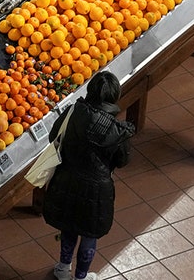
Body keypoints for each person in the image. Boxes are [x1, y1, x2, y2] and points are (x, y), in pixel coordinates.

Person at [44, 71, 134, 280]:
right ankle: (81, 276)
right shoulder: (117, 130)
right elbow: (123, 161)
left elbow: (53, 137)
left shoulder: (73, 112)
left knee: (69, 225)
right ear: (114, 98)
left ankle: (63, 268)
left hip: (67, 179)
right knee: (89, 233)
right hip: (97, 189)